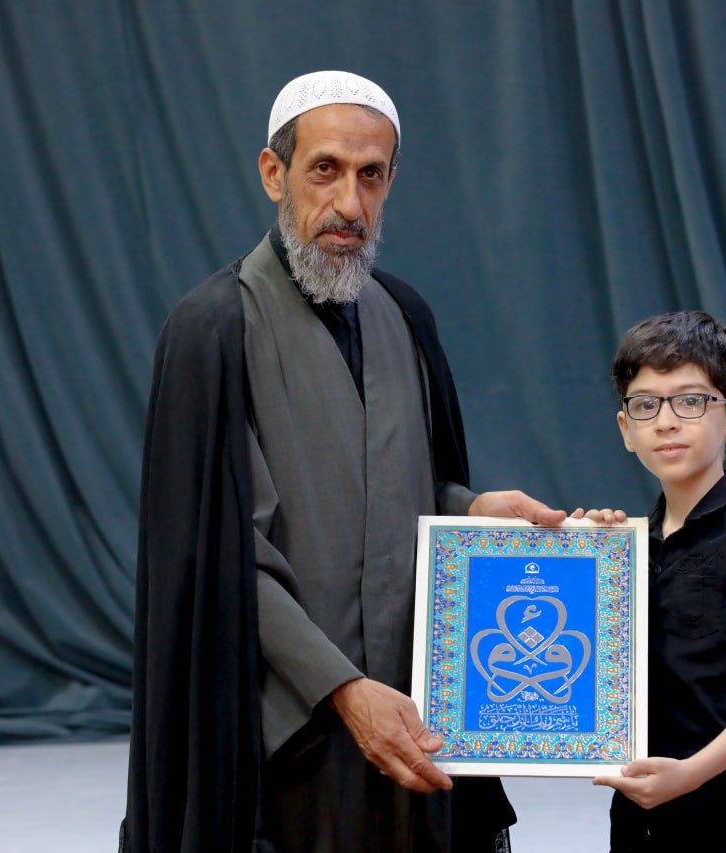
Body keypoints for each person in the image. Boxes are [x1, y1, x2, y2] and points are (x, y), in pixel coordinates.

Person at [121, 70, 603, 853]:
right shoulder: (212, 328)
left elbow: (406, 489)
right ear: (274, 173)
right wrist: (343, 688)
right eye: (326, 170)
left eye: (371, 175)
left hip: (415, 717)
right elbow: (220, 554)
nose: (350, 203)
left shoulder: (405, 316)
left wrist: (472, 508)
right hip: (284, 740)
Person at [593, 311, 726, 851]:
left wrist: (691, 774)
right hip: (637, 822)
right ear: (625, 429)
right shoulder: (623, 547)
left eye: (690, 401)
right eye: (645, 404)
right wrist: (581, 559)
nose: (666, 422)